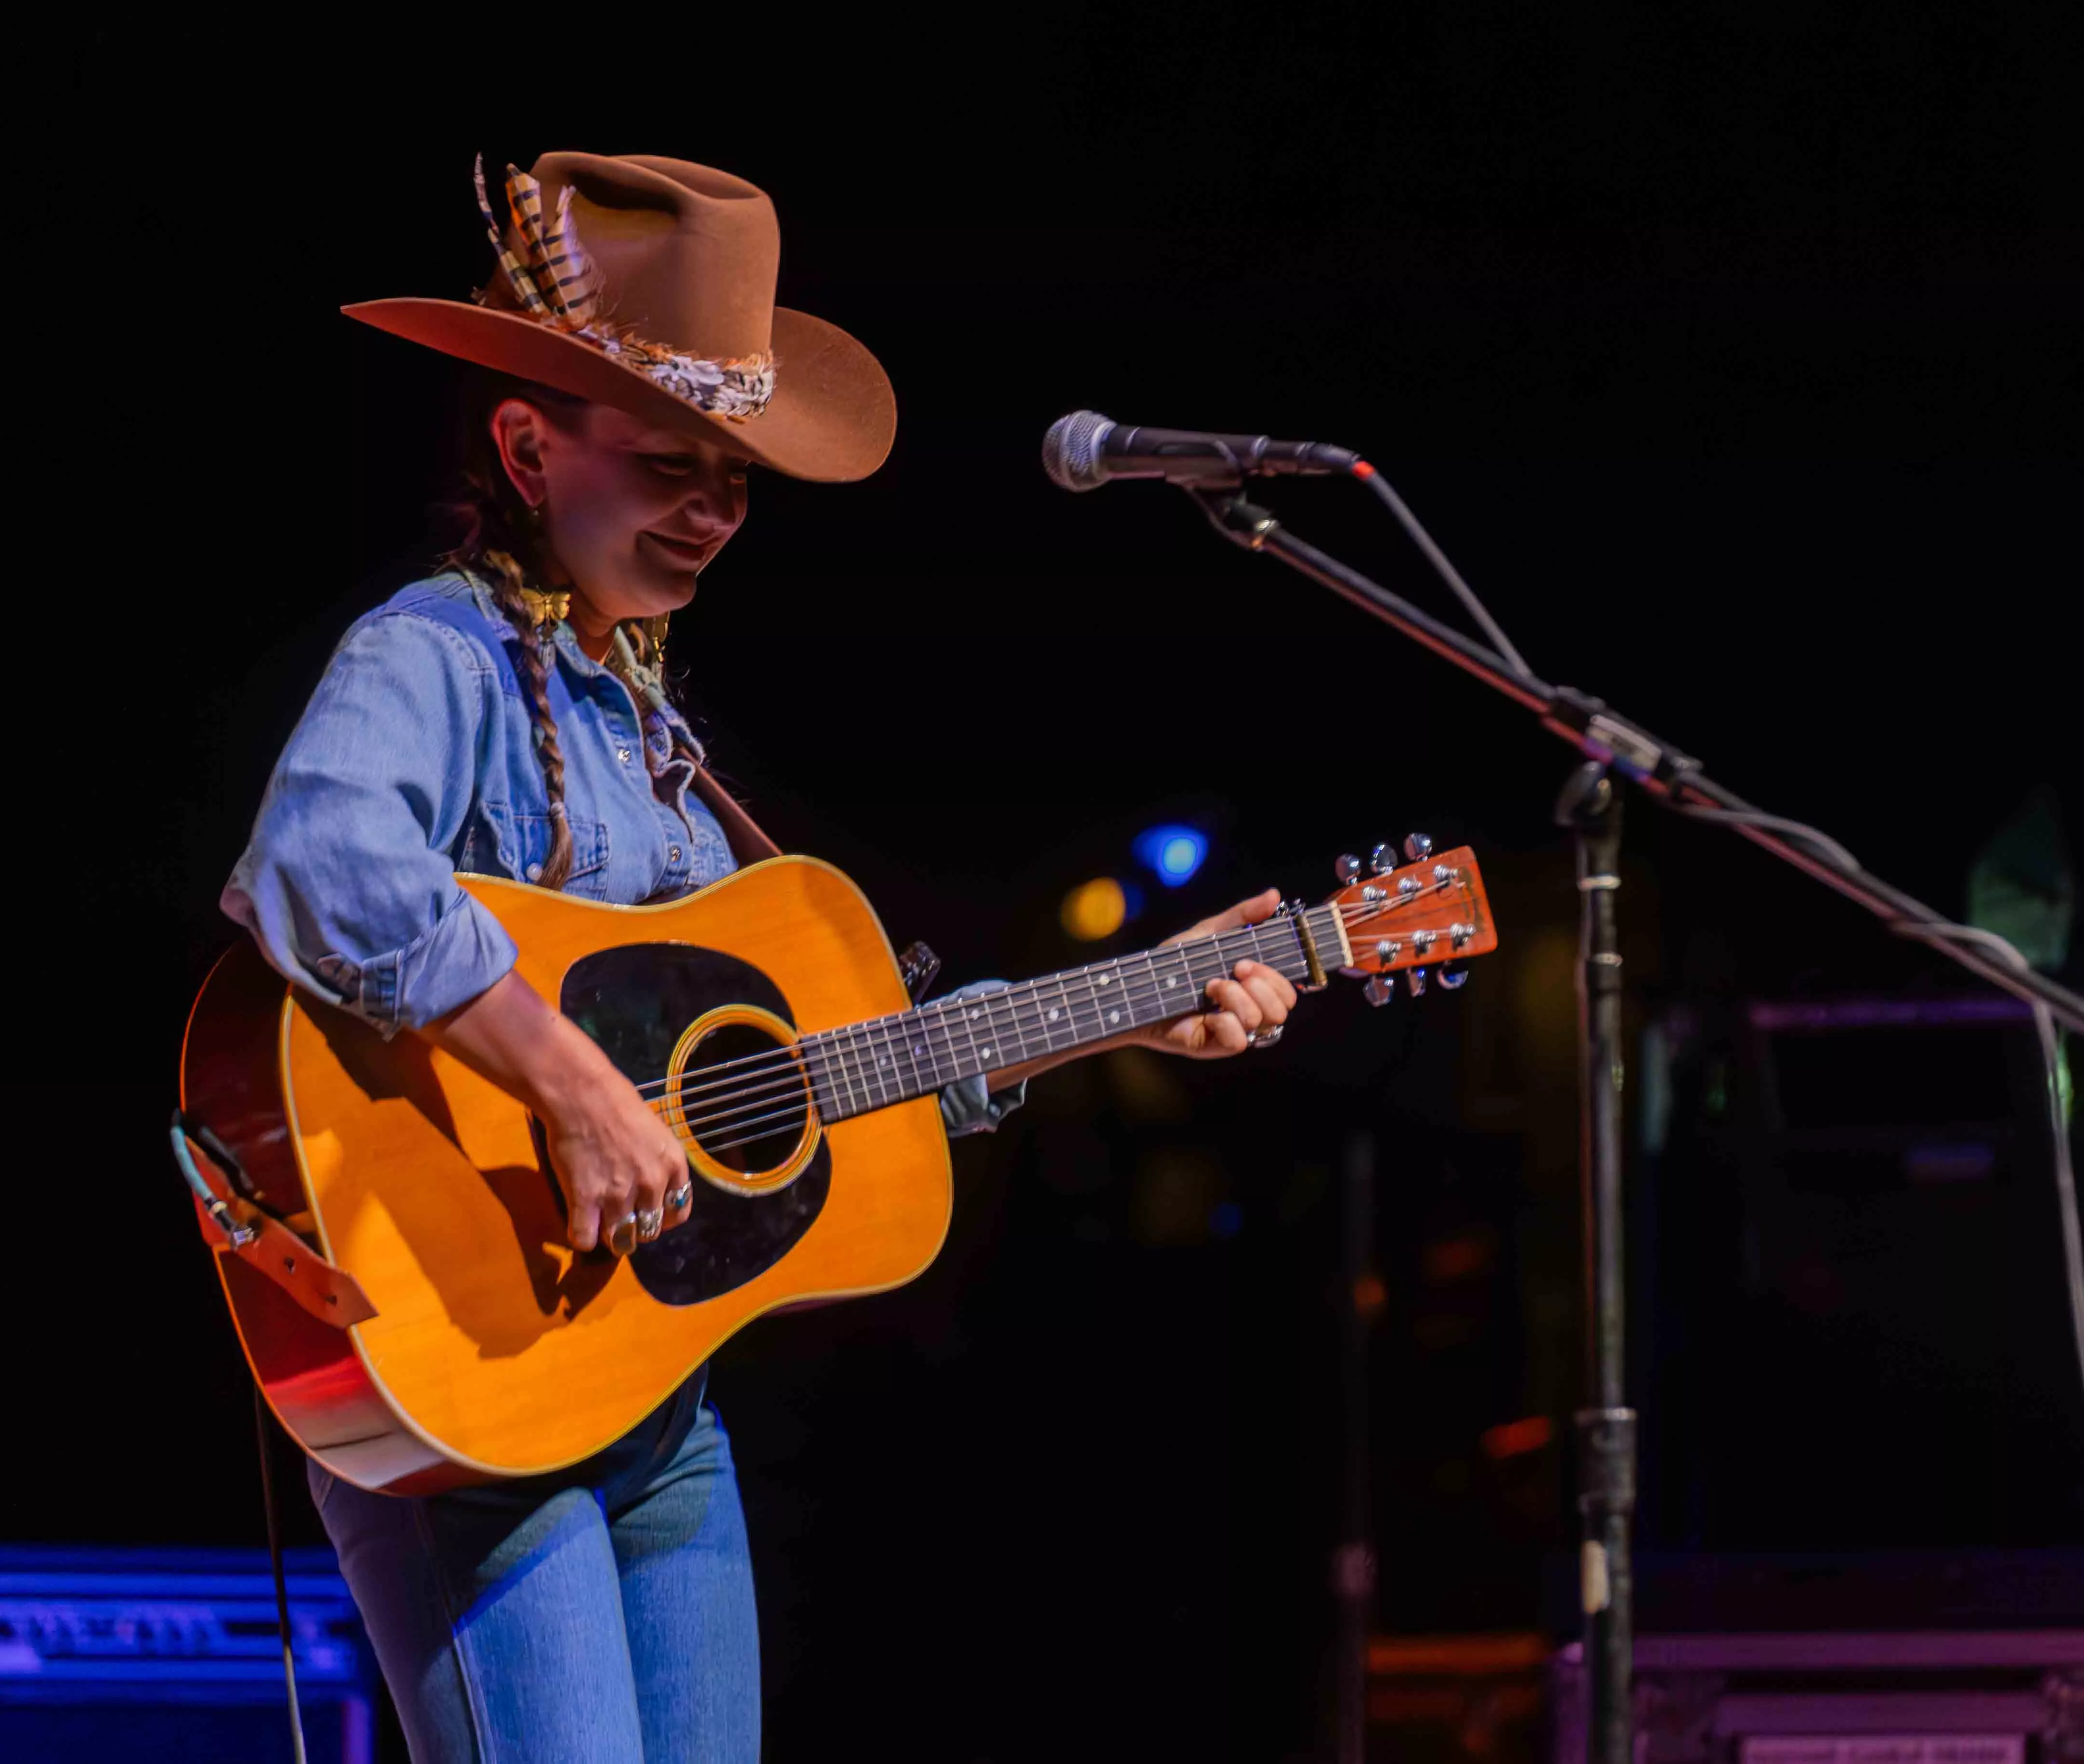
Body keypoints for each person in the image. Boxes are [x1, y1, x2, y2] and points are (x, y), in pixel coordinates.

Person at [221, 151, 1301, 1763]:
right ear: (527, 443)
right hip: (473, 1394)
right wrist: (570, 1082)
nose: (715, 516)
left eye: (739, 482)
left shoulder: (649, 735)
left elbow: (832, 1066)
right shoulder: (434, 650)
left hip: (655, 1417)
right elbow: (315, 857)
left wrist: (1131, 1005)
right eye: (672, 465)